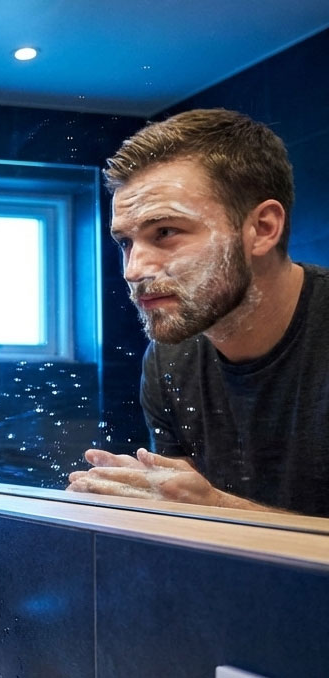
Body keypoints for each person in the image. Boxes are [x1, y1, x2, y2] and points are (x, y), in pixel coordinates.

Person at [66, 108, 329, 518]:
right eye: (126, 243)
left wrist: (220, 510)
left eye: (165, 232)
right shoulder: (170, 360)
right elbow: (186, 509)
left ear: (261, 229)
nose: (134, 269)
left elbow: (206, 509)